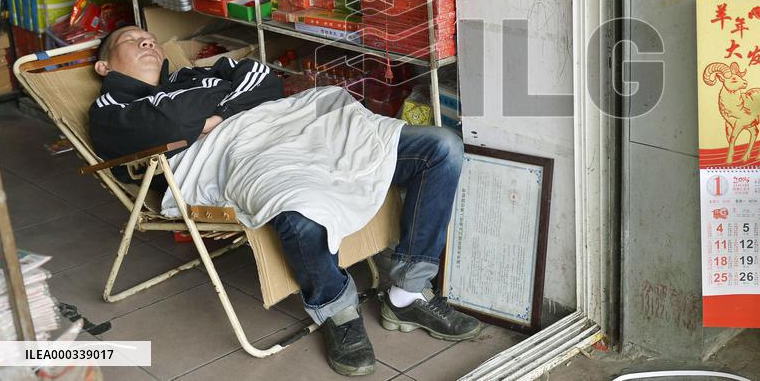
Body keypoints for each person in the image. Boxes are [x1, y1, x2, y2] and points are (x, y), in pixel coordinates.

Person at [88, 26, 480, 376]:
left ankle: (409, 291)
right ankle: (337, 312)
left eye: (150, 38)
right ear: (105, 66)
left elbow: (263, 80)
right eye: (130, 39)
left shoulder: (196, 74)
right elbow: (165, 122)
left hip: (296, 126)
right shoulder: (111, 108)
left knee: (441, 147)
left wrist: (212, 116)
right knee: (297, 209)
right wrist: (225, 104)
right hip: (234, 158)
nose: (146, 41)